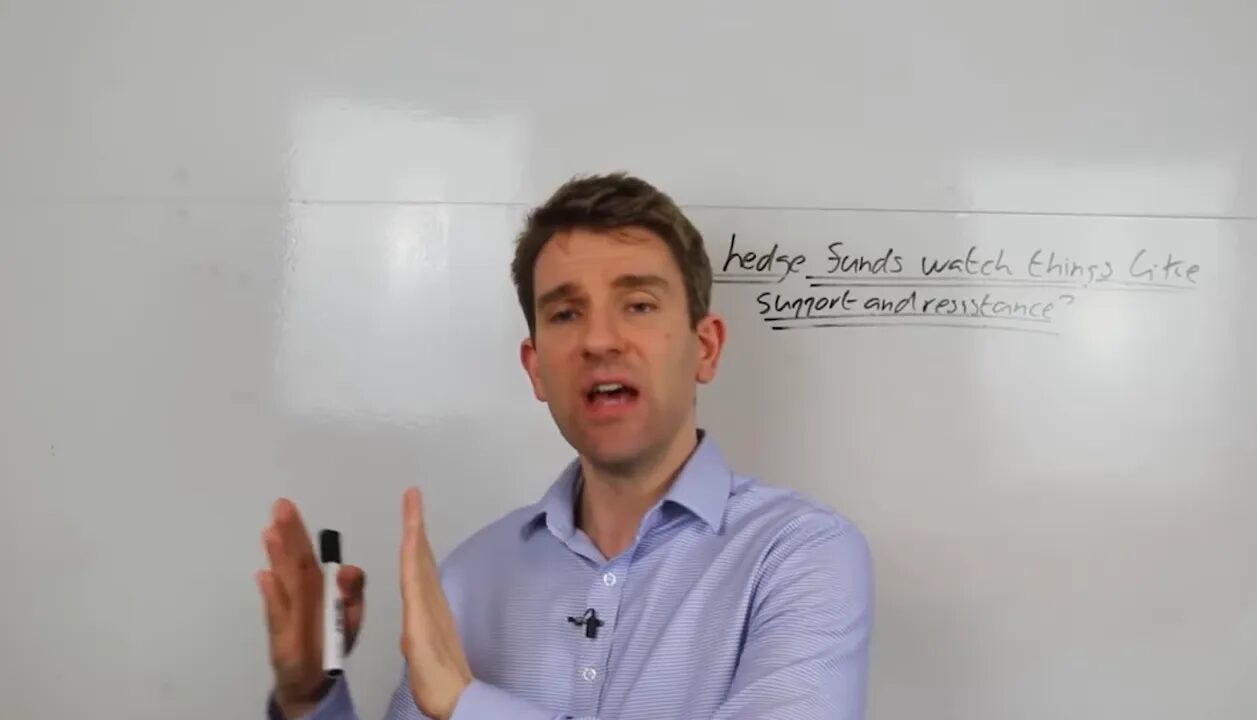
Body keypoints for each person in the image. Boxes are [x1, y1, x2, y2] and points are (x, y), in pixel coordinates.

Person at [256, 173, 874, 720]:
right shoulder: (471, 576)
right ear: (535, 369)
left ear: (705, 348)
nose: (600, 340)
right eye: (565, 315)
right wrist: (311, 699)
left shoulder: (798, 556)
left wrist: (466, 705)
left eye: (637, 304)